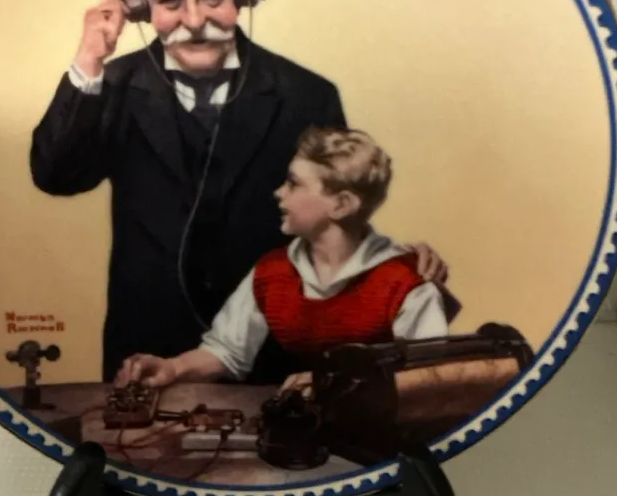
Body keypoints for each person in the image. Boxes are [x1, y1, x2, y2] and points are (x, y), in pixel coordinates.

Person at [30, 0, 449, 383]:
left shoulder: (308, 94)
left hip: (277, 355)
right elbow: (56, 176)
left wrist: (393, 262)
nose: (194, 21)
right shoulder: (108, 85)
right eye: (170, 0)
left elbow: (335, 206)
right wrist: (89, 59)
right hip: (147, 348)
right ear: (140, 6)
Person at [115, 126, 457, 390]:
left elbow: (428, 379)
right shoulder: (273, 271)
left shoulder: (405, 283)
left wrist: (329, 387)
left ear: (341, 205)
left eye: (294, 184)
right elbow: (228, 352)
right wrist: (173, 368)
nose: (279, 192)